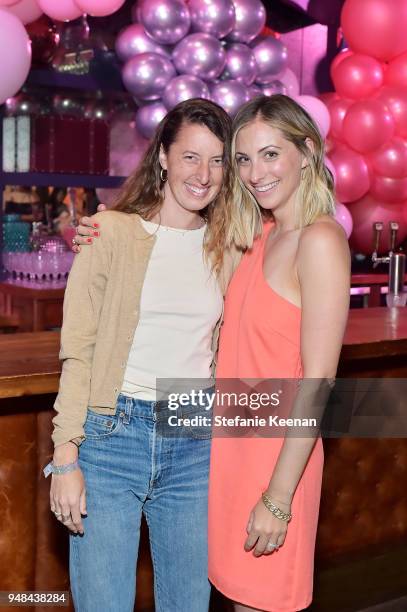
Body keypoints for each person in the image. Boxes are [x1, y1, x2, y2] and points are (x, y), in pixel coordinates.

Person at [74, 94, 350, 611]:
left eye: (270, 154)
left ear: (307, 152)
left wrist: (278, 498)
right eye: (242, 158)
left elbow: (318, 383)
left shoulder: (321, 240)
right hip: (219, 454)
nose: (254, 172)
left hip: (274, 462)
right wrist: (102, 228)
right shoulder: (254, 237)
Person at [45, 98, 240, 612]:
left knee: (188, 603)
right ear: (163, 158)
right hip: (112, 438)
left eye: (217, 160)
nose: (203, 174)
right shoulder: (110, 233)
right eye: (191, 157)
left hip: (194, 437)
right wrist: (66, 457)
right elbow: (79, 352)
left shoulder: (231, 245)